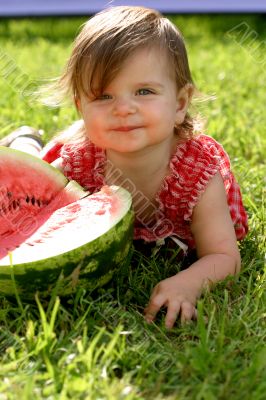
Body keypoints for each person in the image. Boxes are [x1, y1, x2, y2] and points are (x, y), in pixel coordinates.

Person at [0, 6, 248, 328]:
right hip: (65, 157)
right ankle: (24, 140)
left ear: (180, 103)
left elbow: (224, 257)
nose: (123, 109)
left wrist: (188, 282)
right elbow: (26, 202)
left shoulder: (197, 176)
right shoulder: (78, 163)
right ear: (81, 106)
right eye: (103, 96)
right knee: (33, 162)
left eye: (144, 92)